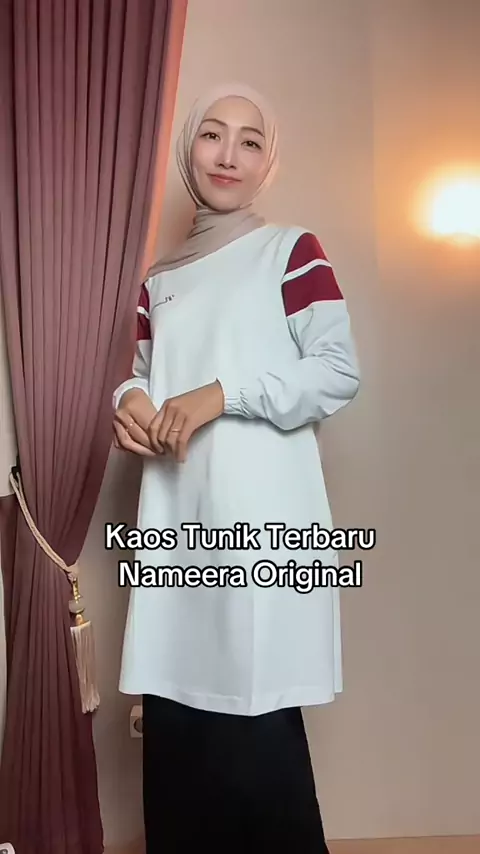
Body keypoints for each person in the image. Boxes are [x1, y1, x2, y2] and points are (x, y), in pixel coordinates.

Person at [112, 82, 360, 852]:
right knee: (178, 735)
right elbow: (139, 373)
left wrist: (224, 394)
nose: (228, 154)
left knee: (257, 745)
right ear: (187, 148)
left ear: (267, 162)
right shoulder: (159, 279)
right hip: (177, 528)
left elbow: (337, 371)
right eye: (212, 134)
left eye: (250, 141)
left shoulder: (291, 250)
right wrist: (129, 400)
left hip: (260, 530)